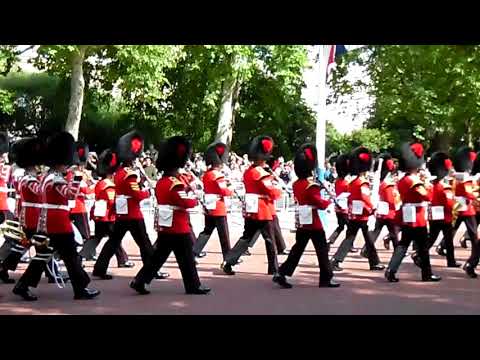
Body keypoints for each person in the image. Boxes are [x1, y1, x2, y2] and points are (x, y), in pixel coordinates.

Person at [13, 131, 99, 301]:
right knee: (71, 256)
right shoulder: (57, 179)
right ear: (62, 160)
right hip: (58, 222)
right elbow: (70, 195)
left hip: (46, 221)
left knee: (43, 256)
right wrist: (76, 178)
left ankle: (23, 285)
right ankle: (80, 288)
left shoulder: (46, 177)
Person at [130, 136, 210, 295]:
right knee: (186, 258)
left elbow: (176, 196)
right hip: (178, 226)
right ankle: (193, 285)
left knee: (157, 257)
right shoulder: (175, 182)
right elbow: (185, 202)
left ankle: (140, 280)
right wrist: (195, 199)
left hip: (166, 225)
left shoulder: (164, 181)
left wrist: (187, 190)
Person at [92, 130, 168, 280]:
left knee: (113, 243)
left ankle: (99, 268)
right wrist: (147, 192)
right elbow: (137, 195)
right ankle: (153, 270)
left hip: (122, 213)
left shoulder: (119, 173)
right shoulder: (129, 174)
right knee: (145, 243)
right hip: (133, 214)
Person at [221, 135, 291, 288]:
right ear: (262, 157)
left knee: (246, 238)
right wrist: (278, 187)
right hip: (262, 210)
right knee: (270, 239)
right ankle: (274, 269)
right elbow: (273, 193)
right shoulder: (260, 173)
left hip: (252, 209)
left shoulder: (249, 171)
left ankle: (229, 261)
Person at [0, 137, 64, 285]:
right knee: (43, 247)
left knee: (26, 245)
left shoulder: (30, 177)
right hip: (32, 217)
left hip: (32, 216)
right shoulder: (29, 179)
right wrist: (51, 180)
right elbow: (40, 193)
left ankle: (4, 268)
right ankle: (46, 275)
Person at [278, 144, 339, 288]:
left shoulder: (297, 183)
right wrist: (330, 200)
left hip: (302, 221)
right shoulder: (310, 185)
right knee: (322, 251)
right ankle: (326, 278)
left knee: (297, 249)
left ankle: (282, 272)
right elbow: (319, 203)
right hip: (314, 222)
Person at [384, 141, 441, 282]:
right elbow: (428, 196)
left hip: (407, 214)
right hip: (417, 216)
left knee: (403, 245)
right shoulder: (414, 181)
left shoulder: (404, 179)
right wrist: (428, 183)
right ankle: (426, 274)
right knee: (423, 248)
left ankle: (391, 269)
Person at [330, 147, 385, 272]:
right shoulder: (362, 183)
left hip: (355, 213)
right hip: (362, 214)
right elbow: (365, 198)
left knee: (357, 238)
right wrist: (372, 208)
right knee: (359, 238)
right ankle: (337, 260)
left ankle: (373, 261)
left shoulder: (352, 182)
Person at [79, 149, 133, 267]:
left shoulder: (101, 183)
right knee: (114, 239)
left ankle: (81, 256)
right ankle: (123, 260)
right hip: (107, 216)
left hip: (100, 215)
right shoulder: (108, 184)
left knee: (99, 238)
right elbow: (111, 201)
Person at [412, 152, 460, 268]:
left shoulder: (432, 185)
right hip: (445, 215)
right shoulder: (445, 187)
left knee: (432, 237)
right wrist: (456, 209)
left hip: (434, 214)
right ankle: (451, 261)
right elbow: (449, 204)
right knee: (448, 240)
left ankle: (418, 253)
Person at [192, 142, 233, 264]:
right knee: (224, 235)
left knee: (207, 231)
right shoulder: (217, 175)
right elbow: (225, 191)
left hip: (209, 206)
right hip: (218, 208)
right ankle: (228, 259)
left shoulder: (207, 174)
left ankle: (194, 252)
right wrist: (231, 188)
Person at [360, 153, 400, 257]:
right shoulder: (388, 184)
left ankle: (366, 249)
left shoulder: (383, 182)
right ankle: (398, 251)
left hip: (382, 211)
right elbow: (391, 199)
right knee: (394, 232)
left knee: (378, 232)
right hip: (389, 211)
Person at [68, 142, 95, 252]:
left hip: (69, 208)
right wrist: (94, 185)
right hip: (79, 207)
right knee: (85, 233)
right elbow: (86, 191)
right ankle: (88, 252)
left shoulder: (69, 174)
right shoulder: (79, 175)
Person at [327, 154, 350, 248]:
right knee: (350, 228)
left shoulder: (338, 181)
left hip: (338, 207)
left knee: (341, 226)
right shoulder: (346, 183)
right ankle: (349, 244)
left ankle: (330, 240)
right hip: (345, 208)